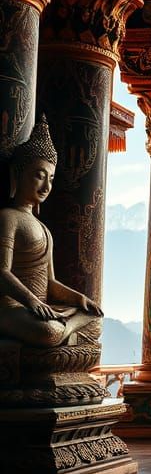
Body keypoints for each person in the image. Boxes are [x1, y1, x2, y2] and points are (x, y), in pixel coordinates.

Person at [0, 116, 103, 347]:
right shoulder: (8, 218)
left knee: (95, 319)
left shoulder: (43, 228)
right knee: (48, 331)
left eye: (51, 178)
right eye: (39, 175)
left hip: (42, 308)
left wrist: (80, 299)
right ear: (17, 174)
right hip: (12, 308)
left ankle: (64, 327)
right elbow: (2, 272)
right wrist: (32, 302)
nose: (46, 186)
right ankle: (63, 330)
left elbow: (50, 281)